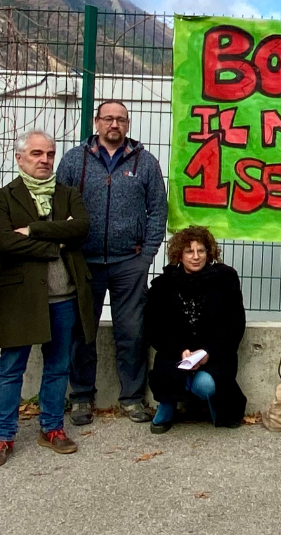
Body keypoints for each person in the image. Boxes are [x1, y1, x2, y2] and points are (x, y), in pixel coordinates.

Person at [0, 131, 95, 466]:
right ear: (20, 158)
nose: (44, 160)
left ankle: (52, 428)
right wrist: (57, 240)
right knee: (10, 369)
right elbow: (5, 242)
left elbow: (82, 228)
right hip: (22, 298)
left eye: (49, 153)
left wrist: (34, 229)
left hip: (65, 297)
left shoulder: (68, 194)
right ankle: (3, 436)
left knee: (58, 367)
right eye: (36, 153)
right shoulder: (1, 197)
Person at [58, 100, 167, 425]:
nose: (114, 125)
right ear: (97, 122)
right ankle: (81, 397)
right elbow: (58, 204)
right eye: (108, 119)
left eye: (120, 119)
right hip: (84, 261)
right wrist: (68, 249)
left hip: (129, 262)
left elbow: (157, 210)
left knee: (132, 333)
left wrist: (147, 254)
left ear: (128, 124)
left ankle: (132, 398)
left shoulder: (145, 162)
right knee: (82, 331)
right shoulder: (74, 160)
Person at [145, 226, 246, 433]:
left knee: (205, 384)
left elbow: (234, 325)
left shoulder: (226, 279)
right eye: (189, 251)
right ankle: (168, 405)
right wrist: (180, 350)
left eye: (201, 250)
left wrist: (208, 353)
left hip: (215, 355)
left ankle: (214, 404)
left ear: (209, 253)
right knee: (170, 373)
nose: (196, 256)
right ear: (179, 255)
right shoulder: (163, 285)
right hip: (175, 354)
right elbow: (154, 328)